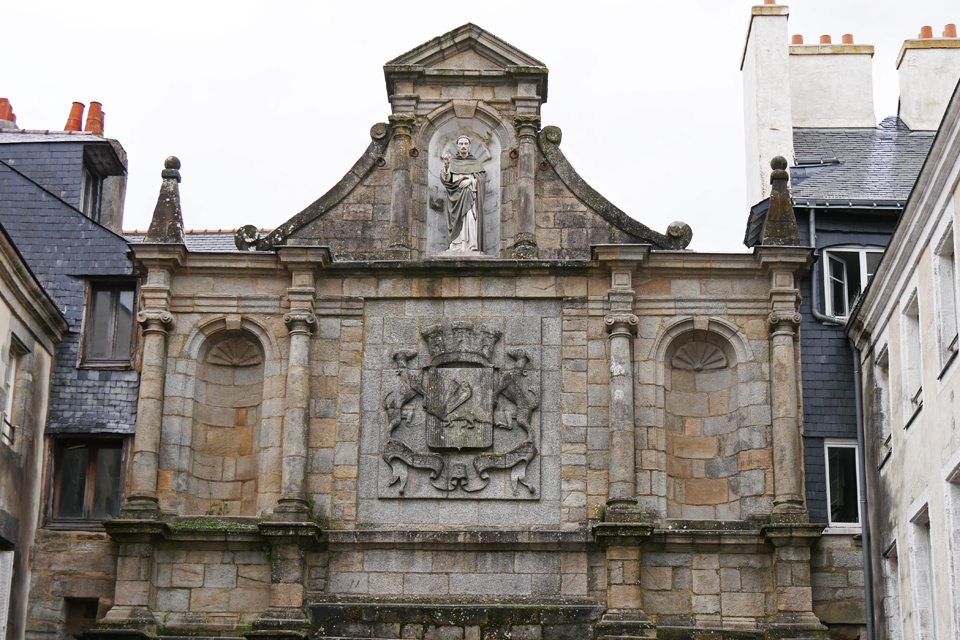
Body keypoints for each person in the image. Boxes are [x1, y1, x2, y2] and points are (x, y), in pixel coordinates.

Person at [441, 135, 485, 253]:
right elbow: (446, 180)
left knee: (470, 219)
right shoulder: (452, 162)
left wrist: (471, 181)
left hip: (469, 197)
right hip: (455, 198)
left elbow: (481, 180)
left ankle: (471, 245)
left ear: (470, 146)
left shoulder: (475, 163)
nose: (463, 146)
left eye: (466, 144)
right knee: (456, 221)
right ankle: (456, 246)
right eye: (461, 144)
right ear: (457, 146)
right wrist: (446, 165)